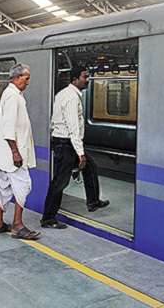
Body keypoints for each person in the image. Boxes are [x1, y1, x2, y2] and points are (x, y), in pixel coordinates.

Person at [41, 66, 109, 229]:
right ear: (75, 79)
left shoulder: (63, 94)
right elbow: (73, 128)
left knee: (90, 167)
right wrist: (80, 153)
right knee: (59, 182)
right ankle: (48, 219)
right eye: (85, 77)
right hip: (66, 143)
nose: (87, 80)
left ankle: (93, 201)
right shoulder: (72, 98)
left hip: (63, 141)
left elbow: (54, 120)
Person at [0, 63, 40, 240]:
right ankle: (17, 225)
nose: (28, 83)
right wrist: (15, 152)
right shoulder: (13, 96)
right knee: (23, 186)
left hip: (4, 155)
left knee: (3, 188)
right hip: (13, 154)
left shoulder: (10, 94)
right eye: (26, 79)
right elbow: (9, 126)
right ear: (17, 78)